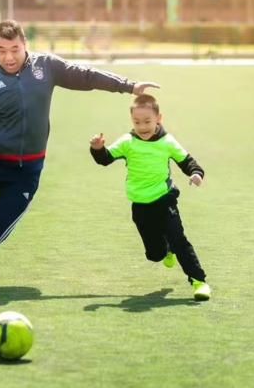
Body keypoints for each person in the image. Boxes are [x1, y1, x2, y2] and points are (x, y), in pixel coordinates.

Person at [0, 20, 159, 286]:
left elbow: (86, 76)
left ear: (25, 45)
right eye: (1, 50)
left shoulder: (45, 67)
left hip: (28, 171)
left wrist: (128, 85)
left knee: (0, 223)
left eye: (14, 49)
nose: (8, 57)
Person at [89, 94, 211, 301]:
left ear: (158, 118)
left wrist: (196, 174)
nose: (142, 126)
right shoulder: (128, 142)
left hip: (164, 199)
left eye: (147, 121)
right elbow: (105, 159)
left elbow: (188, 161)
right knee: (154, 254)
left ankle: (199, 281)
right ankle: (166, 248)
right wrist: (97, 148)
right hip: (140, 204)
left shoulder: (167, 142)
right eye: (137, 122)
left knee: (179, 239)